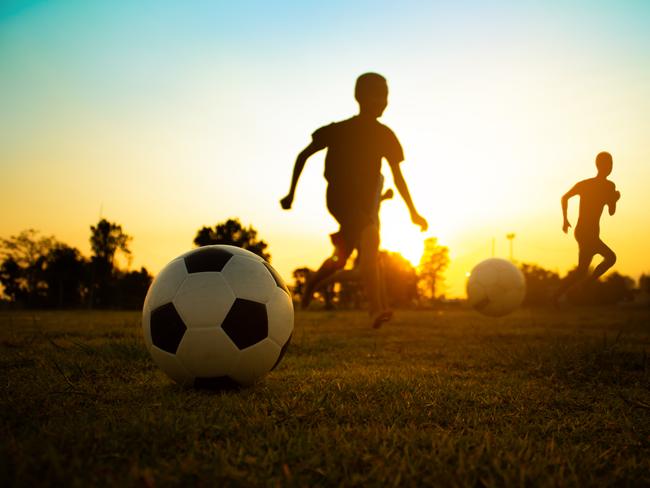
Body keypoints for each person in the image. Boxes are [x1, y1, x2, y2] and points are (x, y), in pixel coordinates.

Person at [280, 72, 428, 328]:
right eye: (377, 95)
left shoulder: (386, 135)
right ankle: (376, 309)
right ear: (360, 97)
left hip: (367, 204)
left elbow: (398, 177)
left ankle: (314, 282)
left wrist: (413, 212)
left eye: (386, 96)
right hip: (340, 199)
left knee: (343, 257)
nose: (383, 101)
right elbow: (303, 155)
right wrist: (291, 192)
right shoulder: (339, 130)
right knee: (370, 238)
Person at [554, 151, 621, 303]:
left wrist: (614, 199)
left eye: (611, 165)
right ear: (598, 166)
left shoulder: (610, 186)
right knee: (611, 257)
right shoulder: (586, 184)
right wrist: (565, 220)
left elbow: (611, 211)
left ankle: (557, 296)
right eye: (606, 164)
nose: (609, 168)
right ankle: (587, 285)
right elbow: (565, 197)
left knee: (581, 271)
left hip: (592, 233)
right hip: (584, 232)